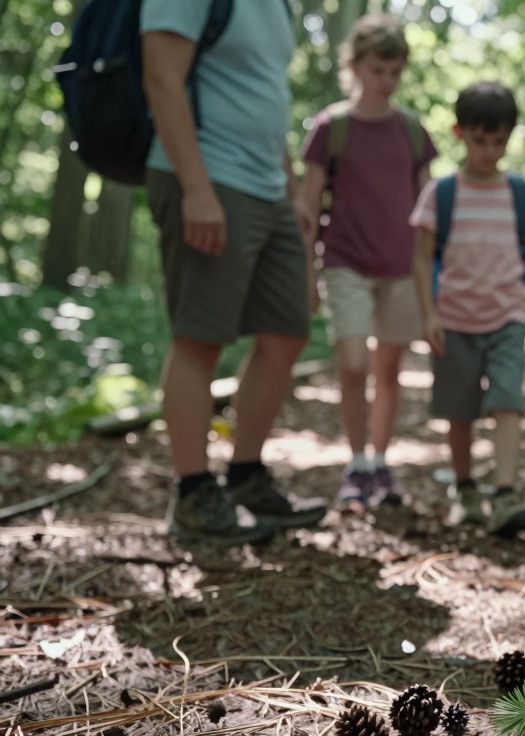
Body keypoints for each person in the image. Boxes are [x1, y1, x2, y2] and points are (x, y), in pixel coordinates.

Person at [142, 0, 326, 545]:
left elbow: (264, 95)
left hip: (268, 187)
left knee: (286, 333)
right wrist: (196, 190)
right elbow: (161, 77)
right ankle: (194, 494)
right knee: (200, 336)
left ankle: (245, 477)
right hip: (209, 178)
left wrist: (290, 188)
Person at [298, 14, 438, 512]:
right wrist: (306, 277)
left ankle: (379, 462)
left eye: (395, 71)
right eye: (378, 69)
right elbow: (308, 207)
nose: (387, 80)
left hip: (400, 267)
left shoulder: (412, 131)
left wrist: (437, 275)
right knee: (353, 364)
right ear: (355, 66)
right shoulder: (329, 128)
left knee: (389, 369)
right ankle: (355, 462)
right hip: (344, 263)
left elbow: (430, 208)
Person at [410, 82, 525, 538]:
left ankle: (505, 493)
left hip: (507, 315)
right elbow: (422, 256)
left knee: (507, 400)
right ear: (460, 134)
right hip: (453, 319)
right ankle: (466, 489)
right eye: (479, 140)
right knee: (459, 409)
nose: (489, 150)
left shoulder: (521, 193)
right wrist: (428, 314)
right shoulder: (441, 193)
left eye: (499, 141)